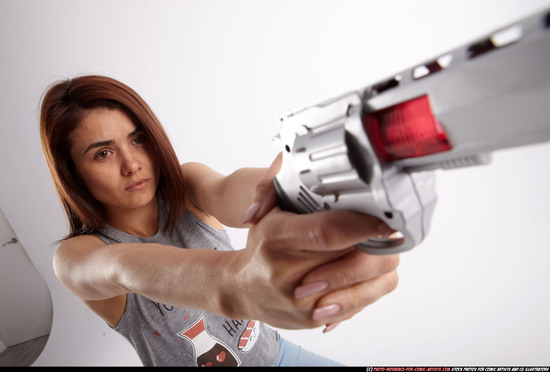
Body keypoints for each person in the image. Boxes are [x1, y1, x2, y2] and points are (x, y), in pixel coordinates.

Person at [39, 75, 399, 366]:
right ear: (73, 173)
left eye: (138, 139)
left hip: (282, 358)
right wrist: (243, 285)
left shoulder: (186, 184)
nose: (131, 164)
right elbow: (122, 267)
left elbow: (233, 190)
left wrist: (297, 186)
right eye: (103, 153)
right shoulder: (77, 258)